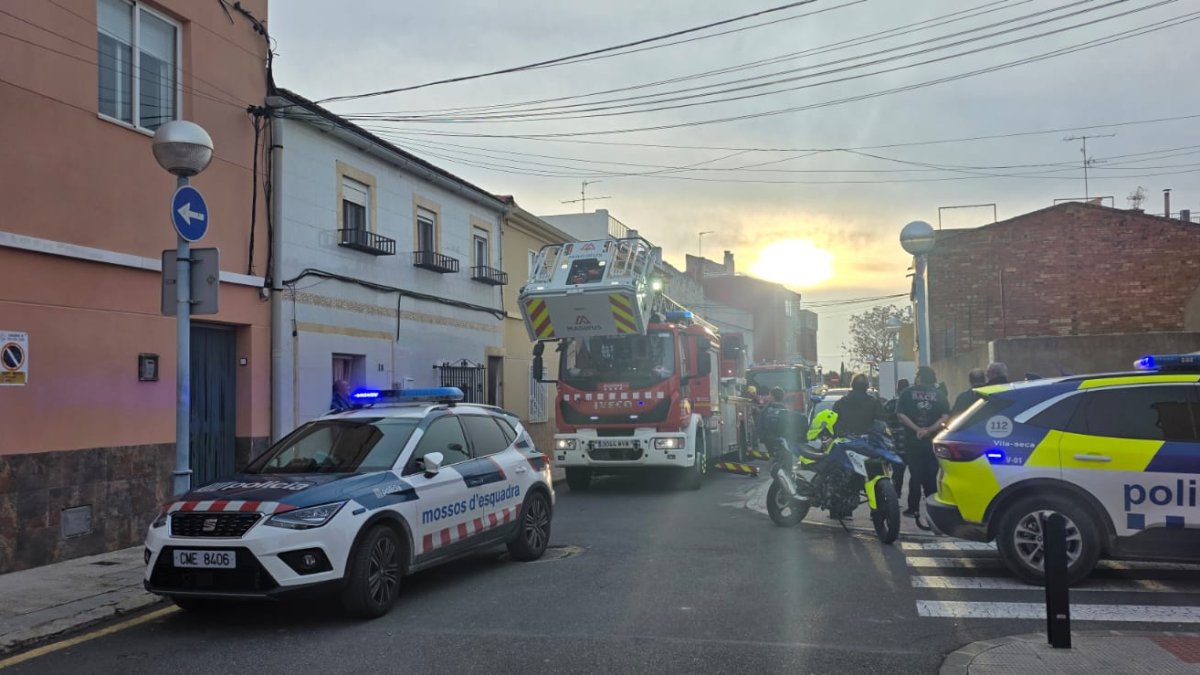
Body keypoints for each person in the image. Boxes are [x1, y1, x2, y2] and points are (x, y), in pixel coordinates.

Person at [896, 366, 950, 517]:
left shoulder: (907, 393)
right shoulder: (939, 395)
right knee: (931, 475)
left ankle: (913, 508)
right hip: (932, 441)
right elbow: (945, 417)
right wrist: (930, 430)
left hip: (912, 442)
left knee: (915, 474)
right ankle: (933, 508)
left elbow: (901, 415)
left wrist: (916, 429)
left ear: (919, 377)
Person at [884, 378, 910, 500]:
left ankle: (895, 494)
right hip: (910, 443)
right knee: (916, 474)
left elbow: (883, 423)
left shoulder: (889, 404)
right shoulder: (911, 404)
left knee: (897, 471)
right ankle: (913, 499)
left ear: (897, 389)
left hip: (894, 443)